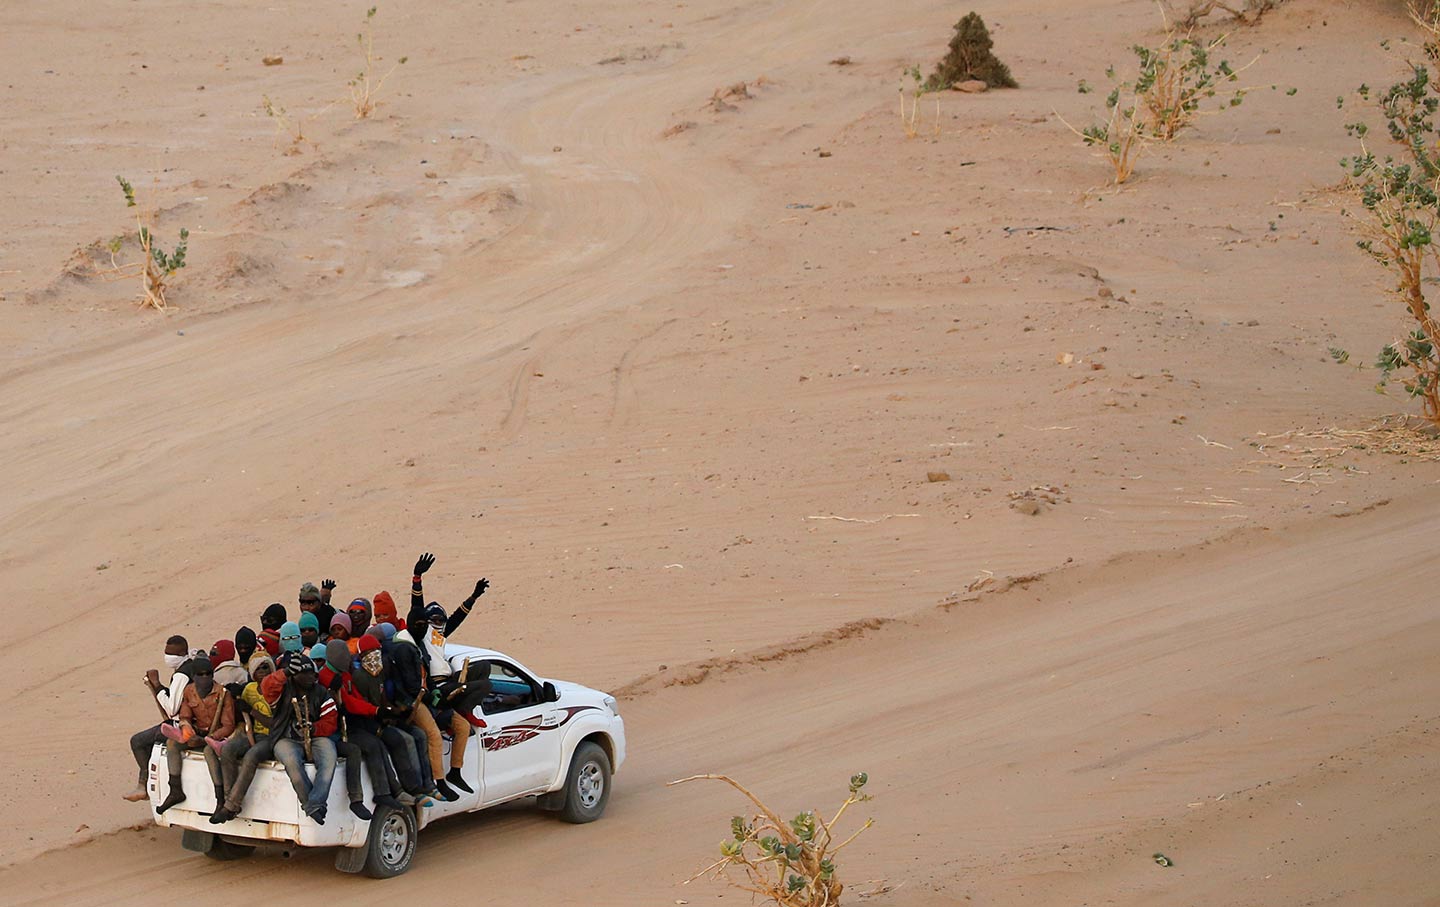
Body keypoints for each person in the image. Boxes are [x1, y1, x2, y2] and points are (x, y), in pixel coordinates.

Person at [403, 552, 487, 797]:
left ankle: (455, 772)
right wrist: (417, 578)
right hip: (434, 688)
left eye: (441, 619)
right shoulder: (425, 633)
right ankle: (438, 781)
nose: (438, 622)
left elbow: (457, 618)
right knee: (436, 734)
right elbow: (417, 607)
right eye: (434, 619)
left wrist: (473, 597)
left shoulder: (441, 636)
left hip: (448, 684)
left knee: (463, 725)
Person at [319, 638, 412, 816]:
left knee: (378, 742)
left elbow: (356, 697)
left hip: (352, 722)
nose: (348, 659)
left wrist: (375, 711)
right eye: (344, 655)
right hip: (339, 728)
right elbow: (348, 702)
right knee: (370, 745)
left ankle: (392, 789)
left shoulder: (343, 674)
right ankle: (382, 792)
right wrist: (375, 710)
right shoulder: (327, 677)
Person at [265, 653, 339, 824]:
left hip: (316, 737)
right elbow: (267, 686)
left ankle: (315, 802)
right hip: (286, 738)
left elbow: (330, 721)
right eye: (301, 673)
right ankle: (312, 805)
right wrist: (285, 672)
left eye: (309, 673)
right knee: (292, 762)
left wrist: (313, 728)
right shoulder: (283, 690)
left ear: (315, 675)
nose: (306, 677)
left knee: (329, 759)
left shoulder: (321, 693)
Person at [156, 658, 235, 814]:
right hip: (197, 732)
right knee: (172, 744)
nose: (205, 678)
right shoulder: (189, 691)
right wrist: (187, 729)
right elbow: (185, 716)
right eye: (200, 674)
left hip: (216, 736)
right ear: (194, 676)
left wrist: (210, 737)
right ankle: (175, 790)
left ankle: (220, 799)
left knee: (208, 752)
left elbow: (228, 725)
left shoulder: (223, 693)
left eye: (208, 674)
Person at [125, 635, 194, 801]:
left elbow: (171, 708)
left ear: (183, 653)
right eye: (166, 653)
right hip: (186, 723)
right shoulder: (190, 667)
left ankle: (144, 785)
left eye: (172, 654)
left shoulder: (181, 675)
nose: (168, 657)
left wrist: (156, 684)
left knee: (138, 741)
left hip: (181, 727)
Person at [212, 656, 275, 822]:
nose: (262, 672)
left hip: (272, 737)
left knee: (251, 756)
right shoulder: (250, 690)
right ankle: (228, 800)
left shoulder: (277, 691)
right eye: (259, 669)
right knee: (227, 750)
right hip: (252, 734)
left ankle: (231, 806)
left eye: (266, 667)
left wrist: (252, 711)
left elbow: (275, 723)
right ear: (253, 673)